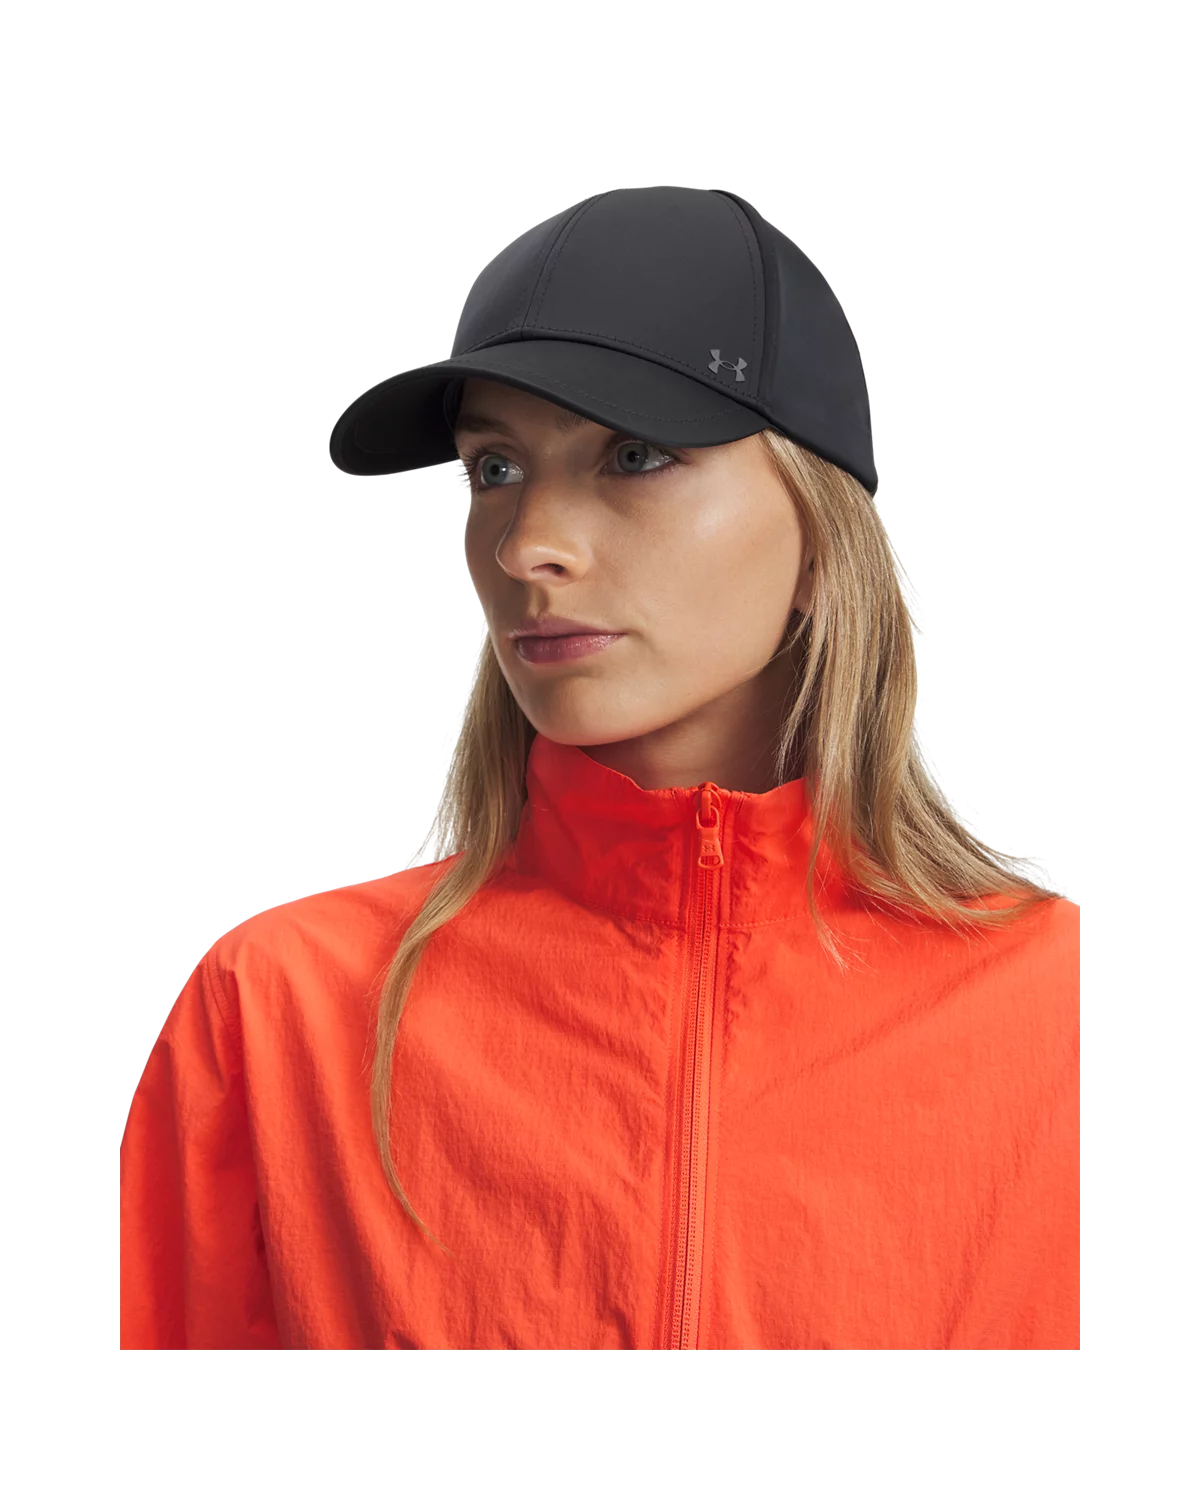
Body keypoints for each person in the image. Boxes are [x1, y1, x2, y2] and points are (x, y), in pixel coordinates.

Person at [120, 184, 1079, 1350]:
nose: (528, 546)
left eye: (632, 454)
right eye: (493, 469)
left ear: (821, 537)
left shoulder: (1078, 1025)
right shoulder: (282, 1014)